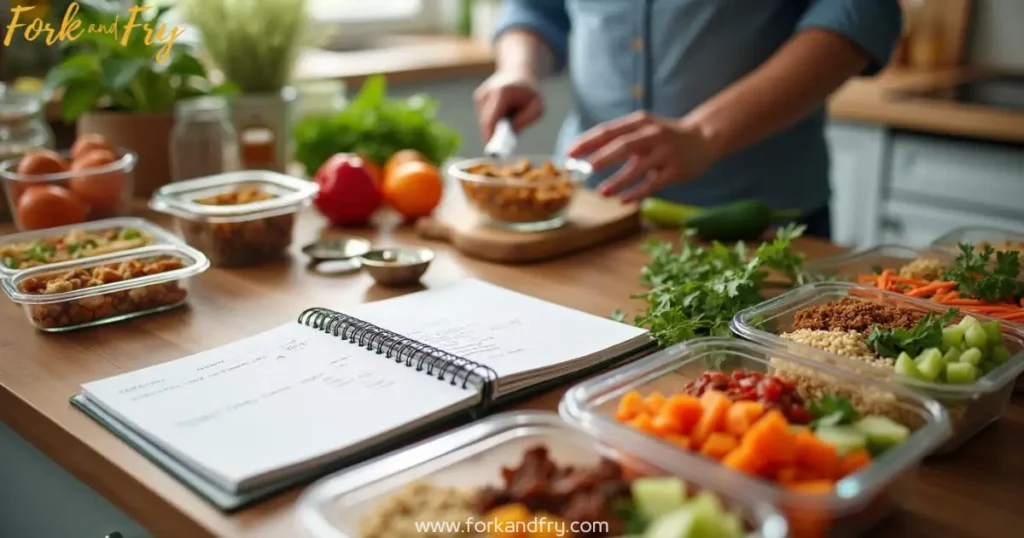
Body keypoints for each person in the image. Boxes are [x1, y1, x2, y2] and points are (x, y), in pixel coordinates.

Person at [473, 1, 903, 240]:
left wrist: (705, 133)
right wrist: (518, 67)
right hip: (589, 213)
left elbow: (860, 10)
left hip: (759, 223)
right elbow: (537, 9)